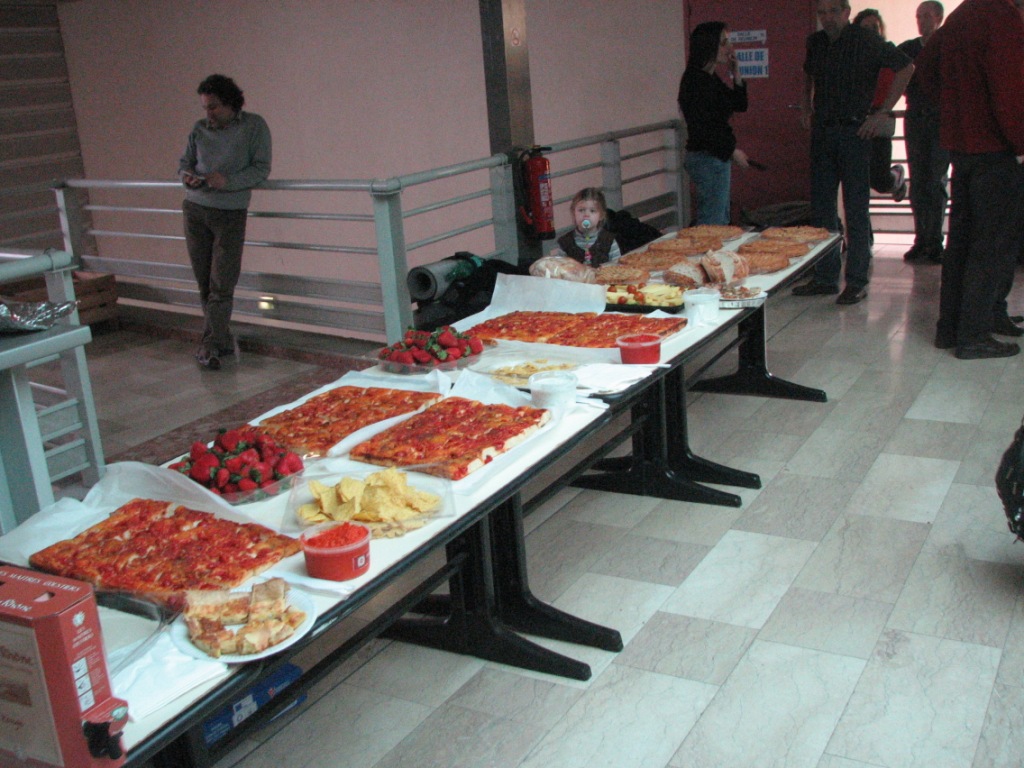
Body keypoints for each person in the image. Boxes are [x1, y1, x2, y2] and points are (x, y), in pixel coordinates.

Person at [915, 0, 1024, 359]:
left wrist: (953, 104)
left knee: (961, 242)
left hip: (962, 147)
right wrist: (1021, 143)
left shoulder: (962, 13)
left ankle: (951, 327)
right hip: (996, 148)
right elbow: (1010, 91)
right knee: (991, 245)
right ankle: (974, 333)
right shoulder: (1002, 18)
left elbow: (926, 65)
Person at [792, 0, 914, 306]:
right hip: (823, 132)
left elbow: (906, 67)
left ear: (846, 12)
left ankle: (857, 281)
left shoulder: (866, 40)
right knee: (822, 209)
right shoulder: (816, 42)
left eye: (834, 11)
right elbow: (808, 75)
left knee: (856, 208)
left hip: (855, 132)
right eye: (822, 13)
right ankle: (825, 276)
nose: (828, 18)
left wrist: (882, 112)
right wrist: (805, 106)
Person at [179, 74, 272, 371]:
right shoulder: (199, 129)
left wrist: (227, 182)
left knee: (222, 282)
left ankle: (209, 345)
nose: (209, 114)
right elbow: (184, 164)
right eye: (205, 108)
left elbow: (261, 169)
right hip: (195, 209)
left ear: (231, 103)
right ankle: (220, 341)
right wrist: (187, 177)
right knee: (204, 280)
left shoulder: (254, 127)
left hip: (230, 212)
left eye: (214, 107)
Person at [678, 21, 749, 226]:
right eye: (723, 43)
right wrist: (732, 151)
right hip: (707, 157)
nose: (730, 48)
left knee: (719, 217)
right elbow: (705, 127)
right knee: (714, 221)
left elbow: (739, 104)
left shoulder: (710, 78)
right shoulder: (695, 81)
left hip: (715, 155)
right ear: (708, 46)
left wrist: (736, 74)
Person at [898, 1, 948, 264]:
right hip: (916, 116)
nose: (921, 21)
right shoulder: (908, 49)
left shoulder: (949, 47)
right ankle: (921, 239)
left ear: (938, 18)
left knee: (935, 180)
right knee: (918, 181)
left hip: (941, 118)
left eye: (926, 16)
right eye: (918, 17)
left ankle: (935, 241)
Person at [853, 9, 908, 202]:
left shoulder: (889, 53)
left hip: (880, 117)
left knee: (879, 179)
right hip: (857, 119)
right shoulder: (852, 56)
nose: (870, 31)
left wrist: (885, 109)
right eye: (866, 27)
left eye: (874, 27)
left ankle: (896, 177)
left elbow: (906, 73)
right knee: (857, 177)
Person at [550, 188, 621, 267]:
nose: (586, 215)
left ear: (601, 215)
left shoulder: (609, 241)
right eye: (581, 210)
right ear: (573, 213)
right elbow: (560, 269)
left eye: (592, 211)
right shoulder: (565, 243)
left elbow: (618, 267)